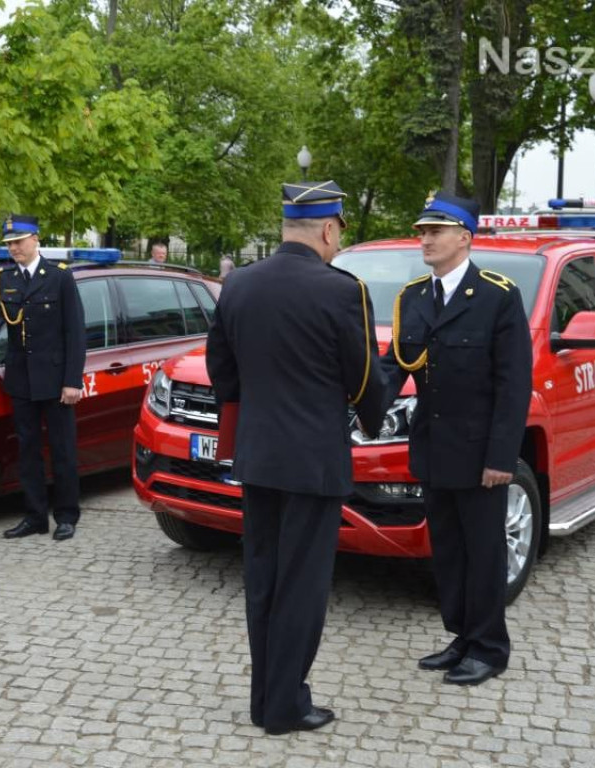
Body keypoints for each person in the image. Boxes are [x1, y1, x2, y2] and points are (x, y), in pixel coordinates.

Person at [206, 180, 387, 735]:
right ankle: (285, 705)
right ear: (329, 229)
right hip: (313, 462)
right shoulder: (341, 290)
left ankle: (266, 698)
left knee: (263, 579)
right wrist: (372, 416)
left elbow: (221, 370)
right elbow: (363, 379)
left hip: (258, 458)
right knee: (302, 589)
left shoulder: (238, 284)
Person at [381, 192, 532, 686]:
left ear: (464, 238)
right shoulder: (413, 299)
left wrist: (501, 456)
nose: (424, 239)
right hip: (433, 447)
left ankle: (489, 647)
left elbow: (514, 383)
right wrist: (350, 402)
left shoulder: (497, 294)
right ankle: (462, 636)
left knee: (484, 551)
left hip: (479, 450)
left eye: (435, 231)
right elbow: (390, 368)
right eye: (423, 231)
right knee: (446, 549)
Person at [0, 215, 87, 542]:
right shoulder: (4, 280)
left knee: (62, 450)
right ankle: (35, 516)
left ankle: (67, 515)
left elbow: (75, 332)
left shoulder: (59, 278)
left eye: (19, 241)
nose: (13, 248)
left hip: (56, 380)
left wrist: (73, 380)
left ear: (36, 239)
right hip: (21, 380)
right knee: (27, 451)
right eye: (9, 243)